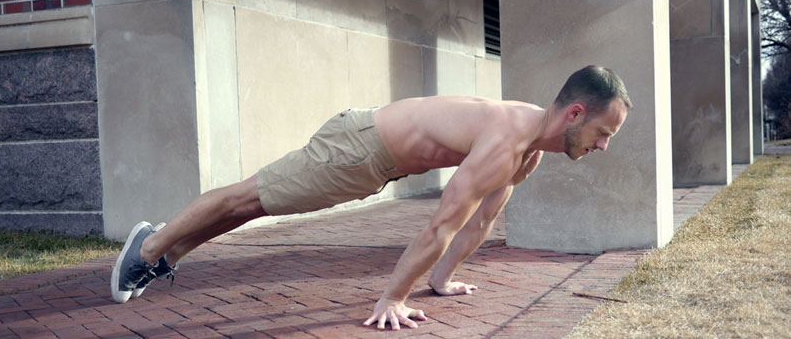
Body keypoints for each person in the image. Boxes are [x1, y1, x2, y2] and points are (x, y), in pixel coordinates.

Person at [111, 65, 632, 331]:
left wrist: (441, 280)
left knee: (254, 204)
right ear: (576, 114)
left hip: (370, 159)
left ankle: (165, 253)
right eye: (604, 133)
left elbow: (479, 225)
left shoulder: (527, 152)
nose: (604, 146)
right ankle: (150, 247)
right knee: (251, 198)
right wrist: (393, 299)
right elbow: (442, 226)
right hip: (357, 149)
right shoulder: (507, 139)